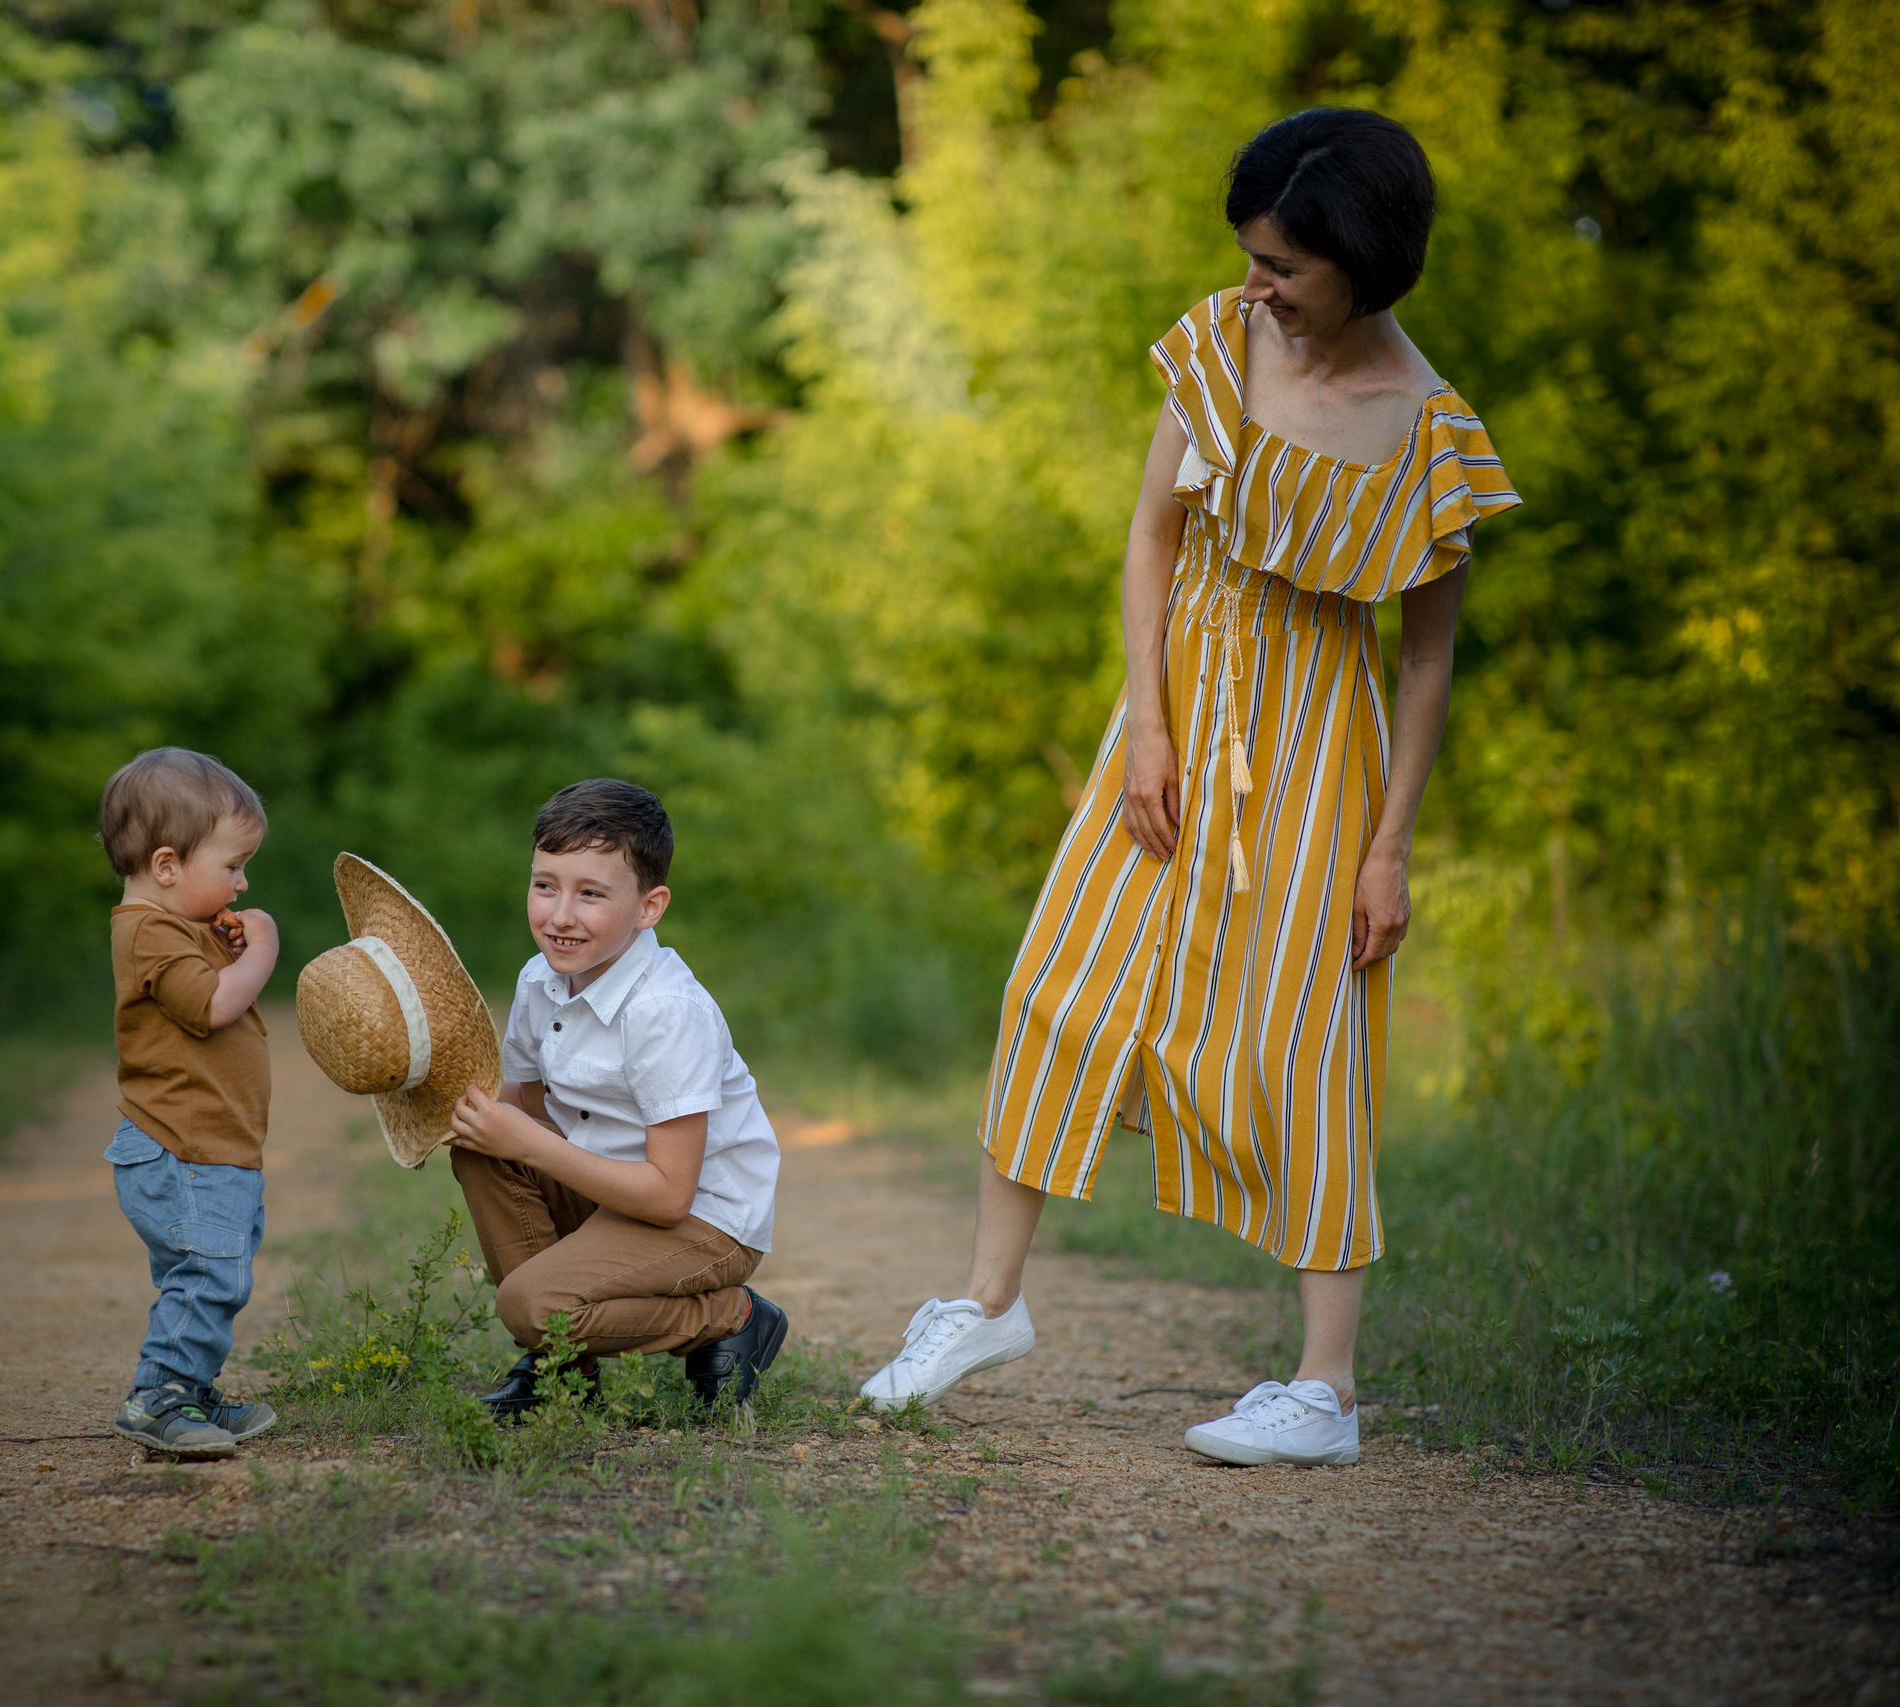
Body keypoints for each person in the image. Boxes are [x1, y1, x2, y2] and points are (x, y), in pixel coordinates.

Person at [859, 108, 1519, 1467]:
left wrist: (1388, 847)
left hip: (1315, 748)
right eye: (1251, 255)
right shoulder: (1221, 340)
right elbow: (1151, 533)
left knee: (1303, 1042)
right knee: (1057, 981)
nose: (1258, 285)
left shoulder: (1429, 432)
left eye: (1283, 264)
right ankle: (987, 1301)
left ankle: (1325, 1389)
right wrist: (1146, 722)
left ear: (1365, 258)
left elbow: (1428, 663)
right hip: (1170, 719)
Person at [443, 779, 788, 1414]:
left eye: (591, 894)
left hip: (703, 1219)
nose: (560, 915)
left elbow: (668, 1195)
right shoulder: (540, 977)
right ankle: (565, 1373)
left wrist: (530, 1144)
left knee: (530, 1304)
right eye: (545, 884)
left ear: (649, 907)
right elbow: (527, 1106)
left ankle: (729, 1315)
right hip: (613, 1193)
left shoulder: (664, 1010)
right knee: (481, 1147)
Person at [100, 747, 284, 1457]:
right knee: (211, 1272)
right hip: (183, 1147)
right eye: (233, 865)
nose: (243, 881)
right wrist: (262, 946)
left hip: (208, 1145)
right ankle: (159, 1396)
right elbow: (214, 1007)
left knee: (202, 1271)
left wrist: (225, 942)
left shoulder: (176, 926)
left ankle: (191, 1386)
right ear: (169, 865)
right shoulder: (148, 932)